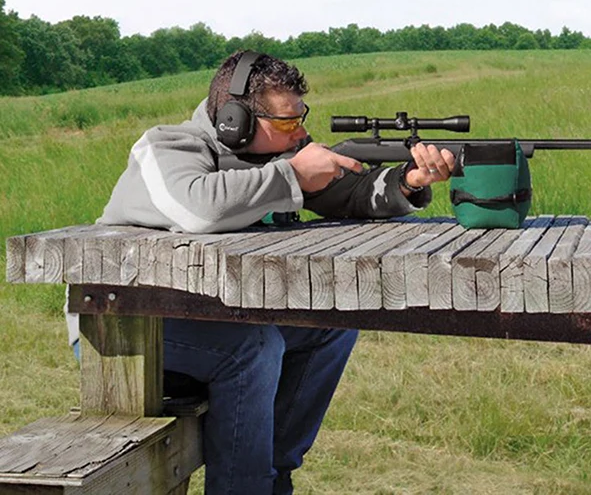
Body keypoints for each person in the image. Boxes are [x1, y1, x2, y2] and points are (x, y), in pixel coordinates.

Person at [66, 50, 454, 495]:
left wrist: (408, 182)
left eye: (301, 118)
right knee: (252, 346)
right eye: (287, 123)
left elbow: (349, 196)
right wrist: (292, 174)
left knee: (331, 324)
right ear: (235, 119)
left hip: (209, 320)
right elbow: (198, 208)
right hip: (121, 326)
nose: (302, 132)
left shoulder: (269, 163)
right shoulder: (165, 146)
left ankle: (273, 475)